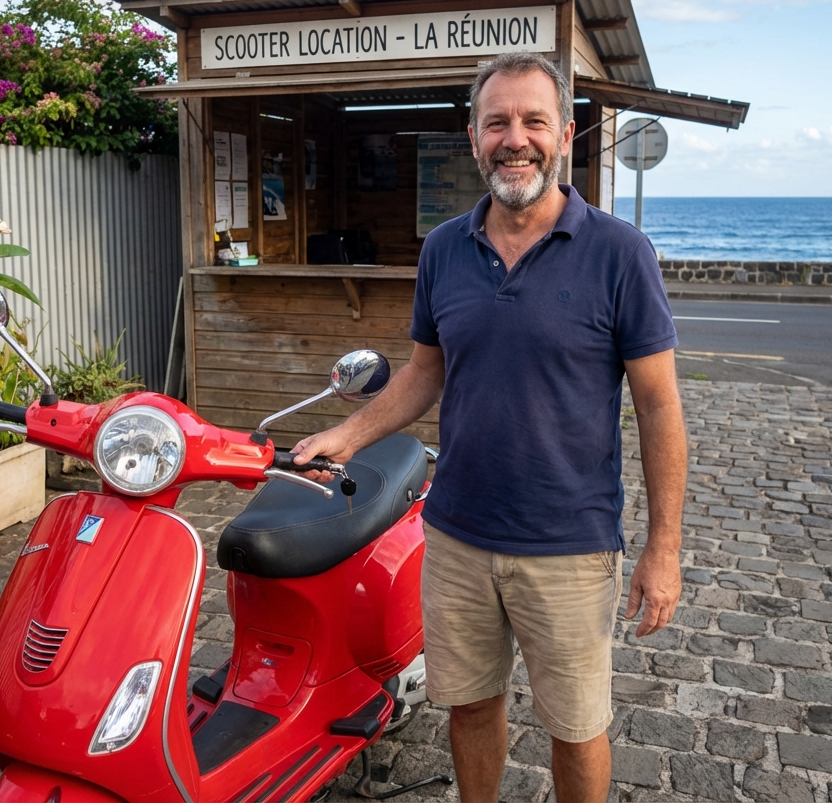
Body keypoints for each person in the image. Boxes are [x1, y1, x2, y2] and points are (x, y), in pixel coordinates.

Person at [292, 51, 687, 803]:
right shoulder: (445, 248)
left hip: (568, 545)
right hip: (456, 536)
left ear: (565, 134)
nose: (516, 138)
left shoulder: (619, 253)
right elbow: (423, 372)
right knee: (470, 706)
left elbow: (660, 406)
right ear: (473, 137)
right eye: (496, 121)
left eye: (534, 120)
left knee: (576, 727)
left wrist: (663, 549)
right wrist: (347, 437)